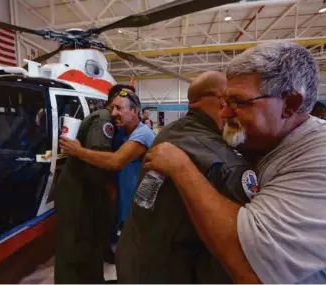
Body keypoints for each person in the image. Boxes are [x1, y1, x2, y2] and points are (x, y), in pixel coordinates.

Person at [142, 42, 326, 283]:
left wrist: (182, 169)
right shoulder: (266, 142)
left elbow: (251, 269)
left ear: (290, 105)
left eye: (239, 102)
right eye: (225, 102)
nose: (224, 114)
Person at [116, 72, 257, 283]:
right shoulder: (226, 162)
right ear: (221, 99)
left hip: (135, 257)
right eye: (234, 99)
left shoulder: (170, 131)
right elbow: (236, 245)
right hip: (175, 271)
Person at [59, 86, 155, 257]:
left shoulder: (143, 134)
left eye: (120, 108)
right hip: (121, 206)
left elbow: (115, 161)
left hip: (138, 208)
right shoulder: (122, 132)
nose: (113, 113)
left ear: (134, 110)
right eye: (112, 108)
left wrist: (78, 151)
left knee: (136, 257)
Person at [54, 86, 122, 284]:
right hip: (81, 192)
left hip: (82, 190)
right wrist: (106, 188)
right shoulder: (104, 119)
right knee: (75, 247)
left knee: (88, 244)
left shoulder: (103, 117)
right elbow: (97, 160)